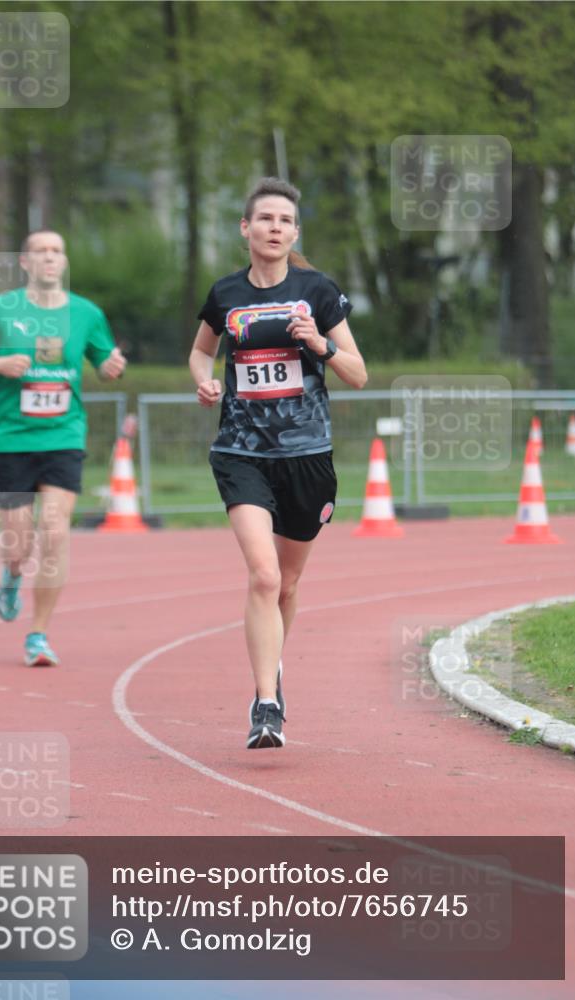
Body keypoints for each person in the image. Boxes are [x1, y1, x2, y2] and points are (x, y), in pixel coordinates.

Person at [189, 178, 367, 749]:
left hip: (307, 457)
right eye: (264, 219)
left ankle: (275, 667)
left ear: (295, 232)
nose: (274, 228)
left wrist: (321, 344)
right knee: (263, 575)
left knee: (288, 584)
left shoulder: (318, 291)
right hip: (242, 453)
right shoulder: (225, 294)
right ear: (245, 228)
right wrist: (204, 381)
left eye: (285, 221)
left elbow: (359, 374)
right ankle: (266, 704)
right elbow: (200, 350)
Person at [0, 229, 126, 666]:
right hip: (11, 441)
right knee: (19, 547)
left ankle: (38, 635)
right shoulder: (1, 310)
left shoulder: (86, 313)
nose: (50, 258)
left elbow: (105, 363)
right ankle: (11, 576)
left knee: (54, 531)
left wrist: (111, 366)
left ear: (64, 263)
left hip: (63, 438)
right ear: (25, 262)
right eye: (41, 251)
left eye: (57, 251)